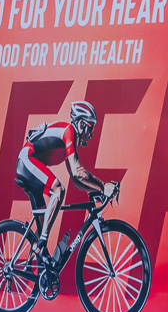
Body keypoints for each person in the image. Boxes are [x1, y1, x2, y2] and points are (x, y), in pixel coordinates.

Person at [15, 100, 116, 263]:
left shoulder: (69, 142)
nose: (91, 134)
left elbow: (77, 181)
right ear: (81, 124)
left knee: (43, 232)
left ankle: (34, 268)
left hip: (29, 164)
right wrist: (103, 186)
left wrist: (96, 190)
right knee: (58, 190)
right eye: (90, 128)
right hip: (27, 160)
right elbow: (78, 172)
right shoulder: (69, 131)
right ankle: (42, 242)